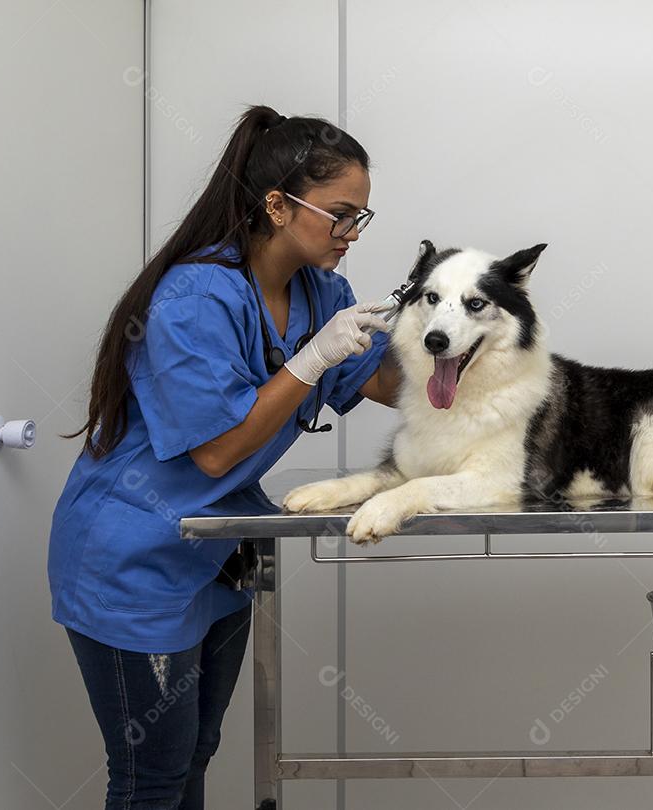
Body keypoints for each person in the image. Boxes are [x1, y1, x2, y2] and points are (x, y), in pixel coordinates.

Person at [47, 104, 401, 809]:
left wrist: (455, 335)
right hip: (133, 557)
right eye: (339, 215)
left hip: (218, 551)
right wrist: (312, 358)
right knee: (152, 776)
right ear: (278, 205)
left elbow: (390, 383)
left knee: (194, 755)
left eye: (360, 217)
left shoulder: (321, 291)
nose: (352, 234)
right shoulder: (196, 295)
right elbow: (216, 452)